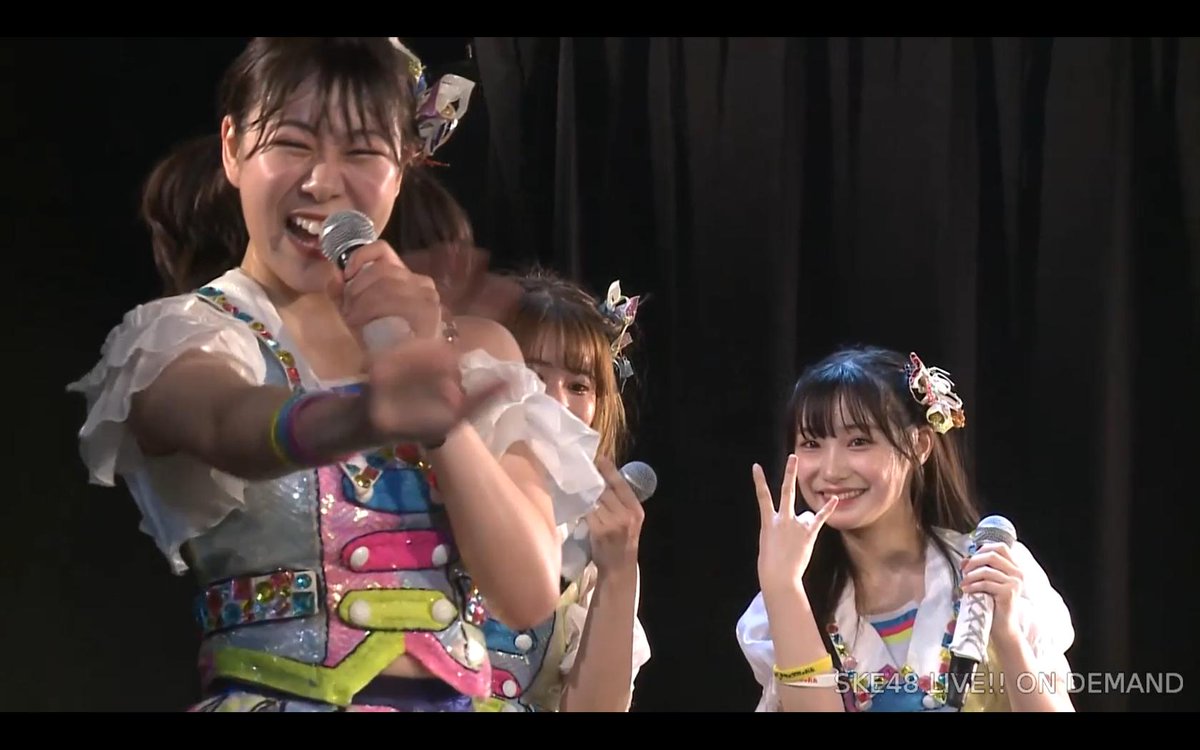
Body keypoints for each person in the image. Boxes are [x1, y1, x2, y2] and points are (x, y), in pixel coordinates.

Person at [67, 37, 605, 713]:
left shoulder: (473, 348)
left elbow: (526, 595)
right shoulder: (189, 334)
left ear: (403, 165)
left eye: (361, 151)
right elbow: (226, 421)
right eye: (291, 143)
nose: (323, 182)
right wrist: (365, 413)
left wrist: (439, 415)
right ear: (233, 149)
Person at [385, 168, 652, 712]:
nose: (554, 402)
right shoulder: (416, 490)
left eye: (578, 385)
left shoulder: (589, 544)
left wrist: (619, 571)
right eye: (532, 375)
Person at [735, 346, 1076, 712]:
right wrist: (783, 588)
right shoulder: (792, 596)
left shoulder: (993, 571)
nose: (831, 470)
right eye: (811, 444)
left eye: (858, 442)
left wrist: (1007, 633)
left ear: (920, 444)